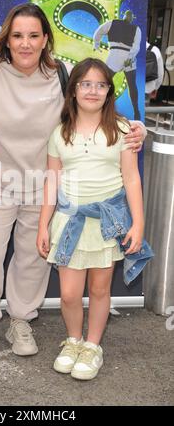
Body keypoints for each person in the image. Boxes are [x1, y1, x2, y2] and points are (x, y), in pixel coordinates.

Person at [0, 3, 146, 359]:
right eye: (17, 35)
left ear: (45, 39)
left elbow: (92, 110)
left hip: (45, 186)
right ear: (6, 39)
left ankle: (21, 319)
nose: (25, 43)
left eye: (33, 36)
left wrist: (135, 128)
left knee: (32, 258)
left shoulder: (62, 74)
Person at [37, 58, 153, 380]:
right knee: (70, 294)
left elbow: (131, 179)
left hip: (108, 221)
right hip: (69, 222)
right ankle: (73, 340)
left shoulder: (123, 130)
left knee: (100, 290)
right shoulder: (59, 133)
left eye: (100, 85)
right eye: (85, 84)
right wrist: (42, 223)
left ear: (108, 92)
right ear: (73, 90)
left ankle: (92, 345)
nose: (93, 90)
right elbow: (51, 181)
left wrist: (138, 224)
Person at [93, 10, 141, 120]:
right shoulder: (136, 29)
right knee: (129, 85)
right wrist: (130, 58)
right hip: (126, 56)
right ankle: (136, 111)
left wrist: (97, 43)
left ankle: (102, 108)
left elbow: (99, 31)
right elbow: (136, 46)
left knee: (105, 83)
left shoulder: (112, 23)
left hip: (115, 56)